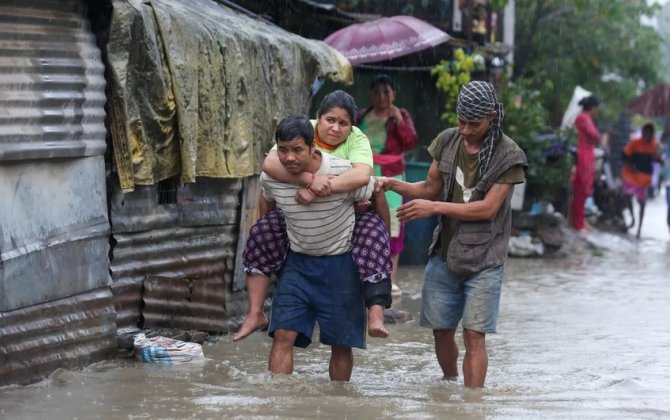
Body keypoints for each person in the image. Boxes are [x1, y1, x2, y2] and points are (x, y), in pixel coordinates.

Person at [376, 81, 527, 388]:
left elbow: (487, 209)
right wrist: (391, 184)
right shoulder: (448, 140)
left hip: (485, 259)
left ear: (492, 116)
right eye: (461, 121)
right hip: (443, 254)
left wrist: (434, 207)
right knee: (441, 330)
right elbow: (430, 186)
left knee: (474, 335)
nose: (466, 129)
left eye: (474, 123)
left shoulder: (509, 155)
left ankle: (471, 405)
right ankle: (449, 386)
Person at [234, 90, 392, 342]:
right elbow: (270, 165)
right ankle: (255, 313)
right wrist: (309, 180)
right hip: (301, 213)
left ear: (351, 127)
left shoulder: (357, 139)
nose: (336, 128)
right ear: (317, 119)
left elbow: (363, 177)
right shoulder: (300, 132)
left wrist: (319, 190)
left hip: (351, 206)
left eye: (343, 123)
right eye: (330, 120)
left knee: (374, 235)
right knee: (262, 231)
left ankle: (376, 314)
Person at [263, 115, 374, 381]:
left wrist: (377, 250)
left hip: (340, 265)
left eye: (297, 150)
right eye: (283, 150)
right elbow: (266, 204)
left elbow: (371, 191)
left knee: (341, 341)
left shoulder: (342, 171)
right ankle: (277, 400)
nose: (289, 158)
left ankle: (339, 401)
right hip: (297, 263)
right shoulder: (271, 177)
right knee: (283, 334)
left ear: (314, 148)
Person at [356, 74, 418, 296]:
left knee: (392, 222)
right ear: (371, 94)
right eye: (377, 92)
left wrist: (399, 120)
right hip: (364, 171)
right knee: (362, 216)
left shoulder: (400, 115)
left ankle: (391, 278)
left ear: (394, 95)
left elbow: (410, 142)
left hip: (391, 175)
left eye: (386, 92)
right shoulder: (362, 115)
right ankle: (365, 273)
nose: (381, 97)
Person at [621, 123, 662, 239]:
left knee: (642, 202)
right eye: (646, 133)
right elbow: (624, 156)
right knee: (627, 197)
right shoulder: (634, 142)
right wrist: (630, 167)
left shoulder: (654, 144)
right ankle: (633, 220)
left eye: (650, 133)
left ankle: (639, 227)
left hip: (644, 178)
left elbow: (655, 157)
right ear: (643, 132)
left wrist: (659, 159)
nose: (647, 135)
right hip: (631, 175)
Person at [571, 95, 601, 232]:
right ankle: (578, 223)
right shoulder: (583, 118)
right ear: (593, 107)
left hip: (587, 154)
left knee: (584, 189)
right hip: (584, 155)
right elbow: (595, 135)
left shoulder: (584, 118)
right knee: (581, 189)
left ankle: (581, 220)